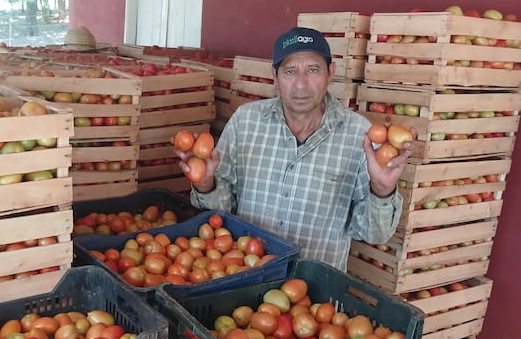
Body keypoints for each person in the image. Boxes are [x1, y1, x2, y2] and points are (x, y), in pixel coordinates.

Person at [176, 27, 414, 271]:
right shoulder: (246, 121)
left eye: (313, 70)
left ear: (330, 73)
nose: (301, 84)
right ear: (275, 76)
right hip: (245, 279)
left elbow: (374, 234)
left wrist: (382, 190)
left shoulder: (358, 135)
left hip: (313, 298)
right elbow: (219, 216)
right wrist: (206, 185)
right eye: (290, 71)